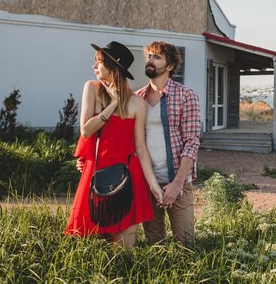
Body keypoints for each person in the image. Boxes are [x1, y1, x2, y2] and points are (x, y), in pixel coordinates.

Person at [65, 41, 164, 247]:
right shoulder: (91, 88)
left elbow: (140, 148)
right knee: (89, 242)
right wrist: (112, 104)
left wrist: (153, 185)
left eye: (98, 62)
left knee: (125, 248)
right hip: (96, 171)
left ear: (112, 67)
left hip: (128, 174)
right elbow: (85, 130)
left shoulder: (137, 103)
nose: (94, 67)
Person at [136, 41, 201, 246]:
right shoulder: (137, 98)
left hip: (177, 183)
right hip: (148, 184)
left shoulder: (186, 96)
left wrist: (177, 184)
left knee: (186, 244)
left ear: (170, 66)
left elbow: (191, 143)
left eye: (156, 57)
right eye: (148, 56)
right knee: (154, 244)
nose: (150, 61)